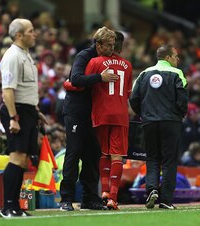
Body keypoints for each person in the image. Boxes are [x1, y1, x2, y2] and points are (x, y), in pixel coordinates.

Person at [60, 26, 118, 211]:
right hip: (77, 112)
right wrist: (99, 78)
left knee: (92, 156)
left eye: (113, 45)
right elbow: (75, 79)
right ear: (98, 44)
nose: (112, 49)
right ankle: (66, 199)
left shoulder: (108, 59)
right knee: (74, 153)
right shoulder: (84, 56)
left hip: (95, 113)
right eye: (108, 45)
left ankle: (89, 198)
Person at [129, 44, 188, 210]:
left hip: (149, 122)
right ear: (168, 57)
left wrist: (143, 114)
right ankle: (166, 200)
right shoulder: (177, 73)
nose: (178, 59)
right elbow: (182, 99)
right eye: (176, 56)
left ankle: (152, 189)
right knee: (169, 160)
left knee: (152, 158)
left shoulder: (143, 74)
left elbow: (134, 98)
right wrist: (179, 115)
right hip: (171, 122)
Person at [0, 18, 46, 218]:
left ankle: (16, 206)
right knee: (16, 158)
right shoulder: (12, 56)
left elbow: (27, 89)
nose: (34, 34)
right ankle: (7, 207)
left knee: (24, 160)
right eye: (31, 31)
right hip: (16, 110)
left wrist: (36, 111)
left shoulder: (26, 56)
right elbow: (7, 91)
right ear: (19, 35)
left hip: (27, 111)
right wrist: (13, 117)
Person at [85, 31, 132, 210]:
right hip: (120, 114)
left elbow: (83, 84)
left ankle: (104, 191)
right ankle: (113, 197)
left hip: (101, 113)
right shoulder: (127, 65)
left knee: (103, 153)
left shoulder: (95, 62)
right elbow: (128, 94)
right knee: (117, 155)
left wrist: (67, 83)